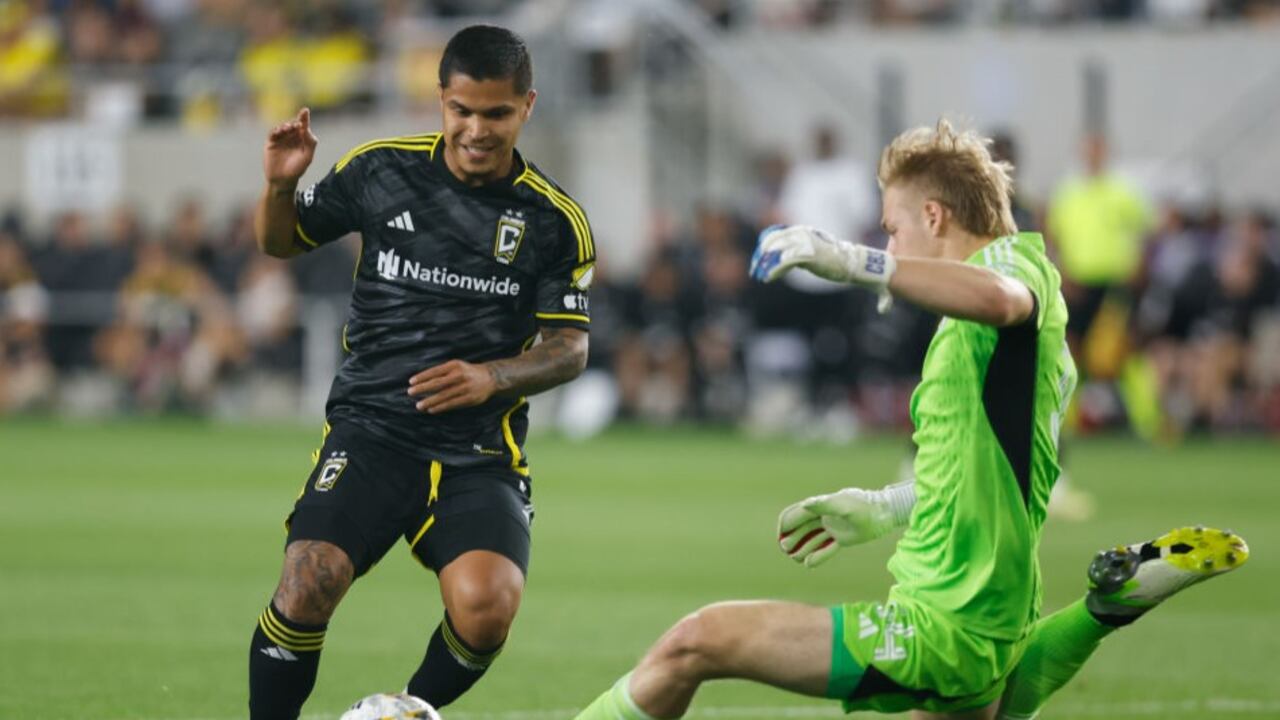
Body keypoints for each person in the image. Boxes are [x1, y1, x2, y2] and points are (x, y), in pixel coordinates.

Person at [572, 120, 1247, 720]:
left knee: (698, 640)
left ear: (933, 215)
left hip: (948, 618)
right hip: (978, 613)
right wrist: (888, 505)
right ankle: (1106, 608)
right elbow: (982, 470)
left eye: (892, 228)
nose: (889, 240)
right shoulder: (981, 325)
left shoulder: (1011, 271)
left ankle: (1104, 611)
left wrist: (856, 262)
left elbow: (1003, 299)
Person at [247, 25, 594, 719]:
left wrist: (490, 378)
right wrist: (281, 188)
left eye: (495, 113)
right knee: (309, 578)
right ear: (441, 99)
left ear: (526, 106)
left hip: (478, 452)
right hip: (373, 429)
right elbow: (280, 243)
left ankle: (402, 712)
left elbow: (569, 349)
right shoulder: (381, 169)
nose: (476, 129)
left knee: (487, 609)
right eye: (462, 110)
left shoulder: (555, 221)